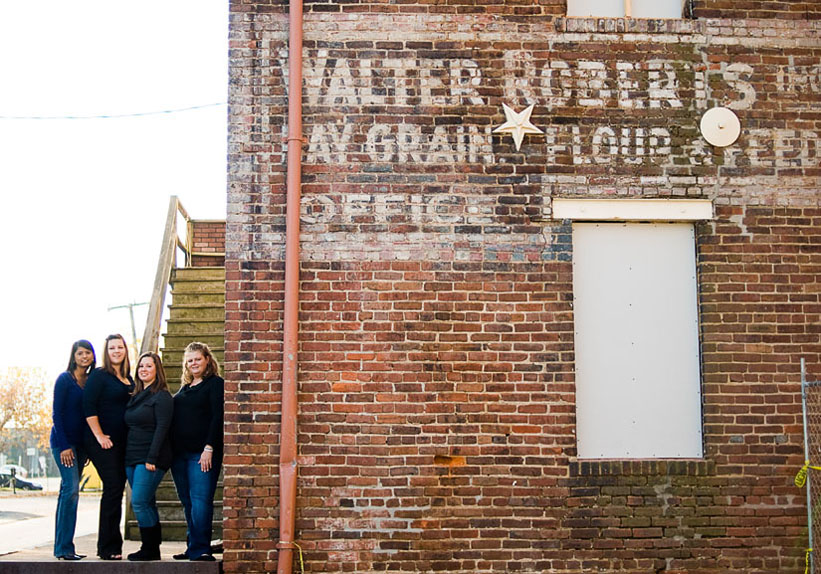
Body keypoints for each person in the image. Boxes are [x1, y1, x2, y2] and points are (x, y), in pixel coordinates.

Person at [170, 341, 224, 561]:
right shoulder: (185, 388)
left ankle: (201, 548)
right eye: (189, 360)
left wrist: (209, 447)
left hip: (201, 453)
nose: (193, 363)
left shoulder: (215, 384)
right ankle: (192, 544)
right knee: (188, 502)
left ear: (207, 360)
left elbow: (217, 417)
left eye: (197, 359)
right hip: (178, 455)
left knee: (201, 500)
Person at [83, 334, 133, 560]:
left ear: (125, 350)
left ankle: (114, 545)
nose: (116, 351)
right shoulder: (99, 376)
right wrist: (100, 435)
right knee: (113, 487)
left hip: (123, 443)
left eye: (120, 347)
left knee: (117, 489)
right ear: (107, 351)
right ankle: (107, 547)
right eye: (112, 347)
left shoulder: (129, 379)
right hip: (101, 441)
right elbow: (88, 407)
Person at [124, 352, 173, 561]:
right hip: (132, 457)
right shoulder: (135, 396)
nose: (144, 369)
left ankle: (149, 548)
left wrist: (152, 458)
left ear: (157, 370)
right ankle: (153, 548)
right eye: (141, 366)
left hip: (151, 457)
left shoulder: (162, 396)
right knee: (147, 503)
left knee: (139, 502)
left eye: (149, 366)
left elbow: (162, 428)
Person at [50, 339, 96, 561]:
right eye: (80, 353)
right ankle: (64, 548)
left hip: (81, 446)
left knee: (66, 493)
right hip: (63, 443)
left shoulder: (91, 381)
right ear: (74, 356)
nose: (84, 357)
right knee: (71, 491)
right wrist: (65, 447)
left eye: (88, 353)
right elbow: (56, 415)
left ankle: (62, 547)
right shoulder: (65, 379)